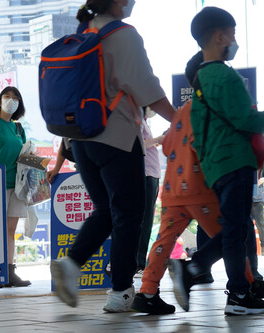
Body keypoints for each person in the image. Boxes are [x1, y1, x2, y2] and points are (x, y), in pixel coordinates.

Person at [49, 0, 177, 313]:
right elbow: (147, 86)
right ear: (119, 3)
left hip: (81, 140)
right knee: (129, 213)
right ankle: (120, 291)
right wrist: (179, 120)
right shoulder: (123, 34)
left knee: (106, 209)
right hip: (116, 135)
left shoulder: (85, 32)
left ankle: (71, 263)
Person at [134, 83, 264, 315]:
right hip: (199, 188)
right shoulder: (213, 112)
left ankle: (147, 292)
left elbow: (167, 146)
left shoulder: (181, 112)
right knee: (231, 236)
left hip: (172, 189)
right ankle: (248, 284)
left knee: (163, 242)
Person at [186, 6, 264, 315]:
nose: (234, 40)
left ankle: (213, 275)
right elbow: (244, 118)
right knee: (234, 229)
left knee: (235, 228)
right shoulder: (224, 75)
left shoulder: (200, 78)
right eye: (232, 34)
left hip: (216, 163)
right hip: (235, 159)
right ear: (219, 36)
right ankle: (237, 294)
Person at [0, 86, 31, 288]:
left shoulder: (18, 128)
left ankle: (9, 270)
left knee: (11, 230)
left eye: (15, 98)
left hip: (17, 184)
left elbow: (23, 154)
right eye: (7, 96)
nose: (10, 100)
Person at [136, 108, 163, 272]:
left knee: (146, 221)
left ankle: (139, 260)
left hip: (151, 173)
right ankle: (138, 262)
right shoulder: (137, 120)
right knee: (144, 221)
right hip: (146, 174)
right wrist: (158, 139)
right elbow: (138, 144)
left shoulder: (144, 121)